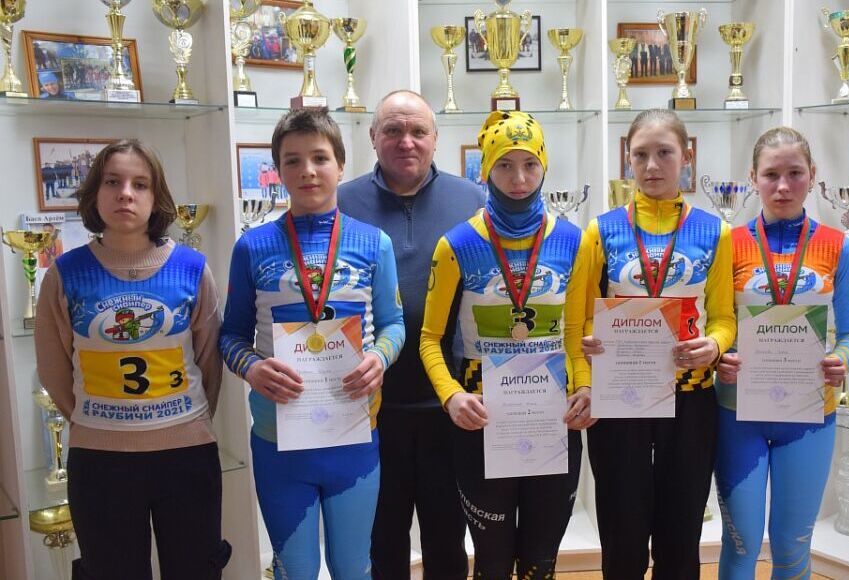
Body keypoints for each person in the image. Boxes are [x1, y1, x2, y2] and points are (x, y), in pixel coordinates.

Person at [219, 107, 404, 580]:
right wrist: (252, 368)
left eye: (320, 158)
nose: (307, 171)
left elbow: (394, 324)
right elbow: (231, 336)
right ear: (277, 171)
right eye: (292, 160)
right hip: (279, 441)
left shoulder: (374, 243)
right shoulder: (252, 246)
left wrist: (379, 357)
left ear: (340, 165)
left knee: (353, 568)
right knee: (295, 570)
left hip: (353, 437)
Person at [34, 139, 231, 580]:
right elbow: (53, 369)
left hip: (187, 454)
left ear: (156, 197)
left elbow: (208, 363)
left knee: (196, 570)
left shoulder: (191, 268)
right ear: (95, 193)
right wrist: (98, 422)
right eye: (113, 182)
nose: (126, 193)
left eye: (140, 184)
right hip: (100, 461)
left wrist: (181, 420)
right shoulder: (65, 273)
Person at [420, 110, 594, 579]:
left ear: (544, 166)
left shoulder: (575, 242)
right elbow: (430, 339)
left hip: (553, 415)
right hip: (481, 415)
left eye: (530, 164)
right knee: (492, 563)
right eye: (504, 165)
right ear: (485, 170)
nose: (519, 179)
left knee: (541, 561)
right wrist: (451, 395)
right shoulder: (456, 244)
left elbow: (575, 335)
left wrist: (585, 388)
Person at [581, 108, 735, 579]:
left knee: (681, 534)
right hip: (619, 399)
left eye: (664, 153)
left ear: (686, 157)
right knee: (622, 533)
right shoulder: (601, 229)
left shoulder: (715, 231)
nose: (651, 166)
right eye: (640, 155)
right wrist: (587, 356)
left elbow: (724, 318)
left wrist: (714, 345)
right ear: (627, 160)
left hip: (690, 398)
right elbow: (581, 318)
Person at [337, 90, 484, 580]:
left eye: (418, 131)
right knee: (382, 540)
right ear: (373, 137)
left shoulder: (472, 199)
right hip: (369, 406)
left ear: (435, 139)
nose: (406, 142)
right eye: (393, 131)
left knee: (447, 540)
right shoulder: (342, 202)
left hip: (450, 402)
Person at [713, 127, 849, 579]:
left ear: (812, 175)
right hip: (737, 413)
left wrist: (843, 359)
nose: (783, 186)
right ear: (753, 179)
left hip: (809, 416)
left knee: (792, 545)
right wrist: (720, 356)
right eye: (771, 175)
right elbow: (713, 325)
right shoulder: (729, 243)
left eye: (795, 173)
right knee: (740, 541)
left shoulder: (840, 247)